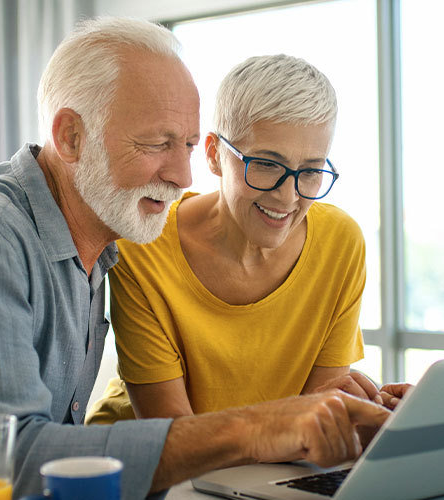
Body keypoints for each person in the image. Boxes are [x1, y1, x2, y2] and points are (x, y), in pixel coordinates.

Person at [0, 18, 389, 500]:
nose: (183, 176)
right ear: (71, 137)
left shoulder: (104, 245)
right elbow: (8, 462)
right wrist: (255, 428)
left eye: (186, 146)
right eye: (157, 144)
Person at [87, 55, 406, 426]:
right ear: (214, 155)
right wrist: (300, 424)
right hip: (143, 473)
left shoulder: (340, 244)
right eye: (267, 164)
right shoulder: (144, 243)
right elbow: (172, 436)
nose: (289, 197)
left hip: (261, 472)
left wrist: (379, 418)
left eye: (311, 171)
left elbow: (316, 427)